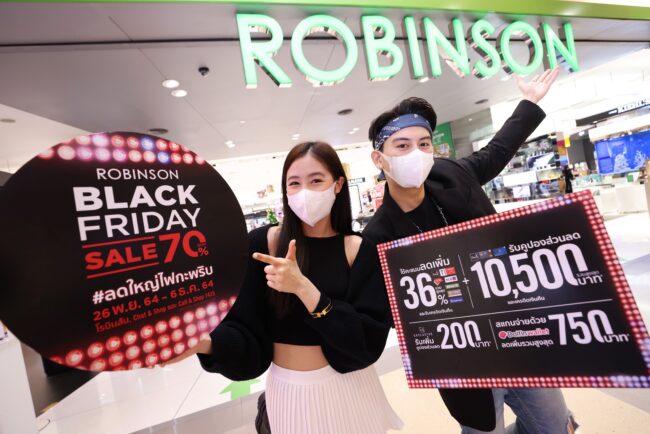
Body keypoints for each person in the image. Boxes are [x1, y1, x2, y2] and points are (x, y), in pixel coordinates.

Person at [362, 68, 578, 433]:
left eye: (424, 144)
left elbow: (496, 152)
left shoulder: (451, 175)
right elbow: (389, 315)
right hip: (464, 366)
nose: (416, 153)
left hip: (516, 338)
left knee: (554, 425)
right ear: (379, 158)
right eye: (402, 145)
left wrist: (529, 101)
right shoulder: (377, 237)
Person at [165, 142, 402, 434]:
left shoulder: (359, 249)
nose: (305, 191)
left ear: (338, 184)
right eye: (294, 183)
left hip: (352, 388)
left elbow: (367, 342)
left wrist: (305, 289)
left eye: (316, 180)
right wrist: (203, 343)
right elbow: (245, 334)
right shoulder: (261, 246)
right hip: (288, 393)